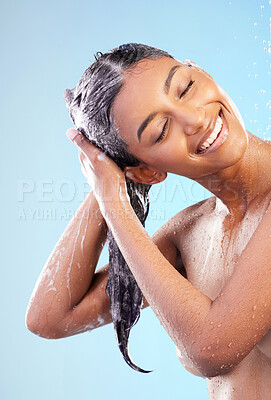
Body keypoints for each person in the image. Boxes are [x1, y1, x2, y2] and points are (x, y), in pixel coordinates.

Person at [25, 43, 271, 399]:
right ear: (147, 171)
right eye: (159, 131)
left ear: (199, 69)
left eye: (185, 87)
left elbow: (210, 350)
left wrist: (116, 206)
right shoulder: (191, 233)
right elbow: (52, 317)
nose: (195, 119)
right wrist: (107, 180)